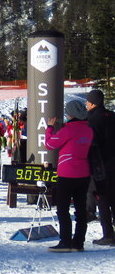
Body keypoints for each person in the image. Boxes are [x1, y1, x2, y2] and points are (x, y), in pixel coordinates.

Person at [45, 100, 93, 252]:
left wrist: (50, 128)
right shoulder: (88, 129)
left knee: (63, 208)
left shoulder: (68, 130)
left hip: (67, 173)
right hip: (84, 173)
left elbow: (49, 144)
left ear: (70, 114)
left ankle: (65, 242)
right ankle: (78, 243)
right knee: (80, 209)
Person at [85, 89, 115, 245]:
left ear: (92, 103)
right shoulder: (112, 116)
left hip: (101, 166)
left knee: (102, 200)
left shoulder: (92, 120)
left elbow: (92, 144)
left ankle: (108, 234)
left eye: (87, 101)